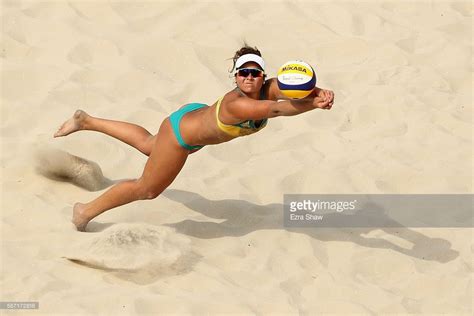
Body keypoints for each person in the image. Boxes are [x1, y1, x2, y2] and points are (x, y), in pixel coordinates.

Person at [54, 44, 335, 231]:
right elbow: (277, 109)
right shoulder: (236, 104)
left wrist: (318, 92)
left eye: (255, 73)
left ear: (264, 76)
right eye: (243, 73)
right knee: (147, 189)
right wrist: (313, 104)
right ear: (236, 76)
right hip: (181, 135)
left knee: (149, 144)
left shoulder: (271, 86)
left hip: (193, 118)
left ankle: (86, 120)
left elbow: (294, 87)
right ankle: (84, 211)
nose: (249, 78)